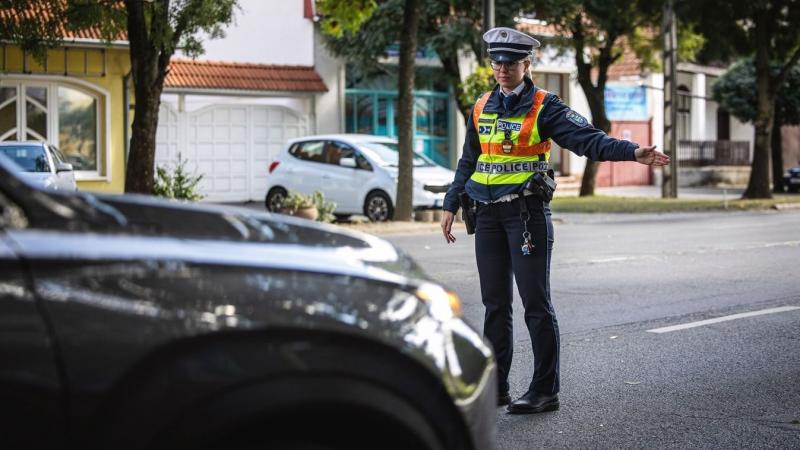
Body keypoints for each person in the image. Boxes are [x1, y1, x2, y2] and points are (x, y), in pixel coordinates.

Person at [440, 27, 669, 414]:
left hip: (526, 215)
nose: (502, 69)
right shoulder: (481, 105)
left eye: (510, 63)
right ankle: (495, 388)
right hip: (488, 216)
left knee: (536, 305)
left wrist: (633, 151)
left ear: (527, 64)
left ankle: (545, 390)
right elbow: (470, 160)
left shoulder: (545, 106)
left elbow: (589, 140)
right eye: (497, 62)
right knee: (495, 305)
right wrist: (451, 202)